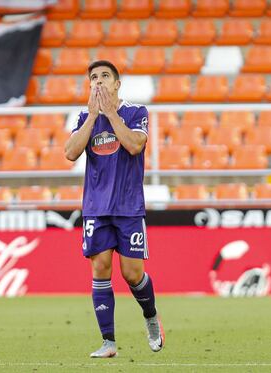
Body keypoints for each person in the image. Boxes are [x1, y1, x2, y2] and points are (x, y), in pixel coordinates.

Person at [65, 60, 164, 358]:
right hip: (96, 207)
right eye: (93, 77)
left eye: (105, 76)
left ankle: (151, 318)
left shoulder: (136, 112)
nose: (98, 82)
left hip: (128, 206)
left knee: (133, 274)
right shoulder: (84, 117)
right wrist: (94, 116)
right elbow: (70, 153)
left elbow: (135, 145)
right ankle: (108, 343)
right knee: (100, 267)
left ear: (117, 84)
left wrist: (110, 113)